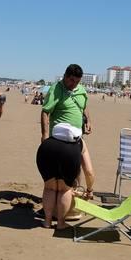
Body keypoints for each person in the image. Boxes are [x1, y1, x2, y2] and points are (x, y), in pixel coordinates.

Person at [36, 64, 91, 228]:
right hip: (57, 140)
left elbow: (84, 107)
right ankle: (57, 217)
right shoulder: (56, 89)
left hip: (76, 140)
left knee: (74, 177)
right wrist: (44, 135)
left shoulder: (81, 90)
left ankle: (69, 208)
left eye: (77, 82)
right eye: (72, 80)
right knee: (55, 183)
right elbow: (45, 111)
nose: (74, 84)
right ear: (65, 76)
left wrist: (89, 121)